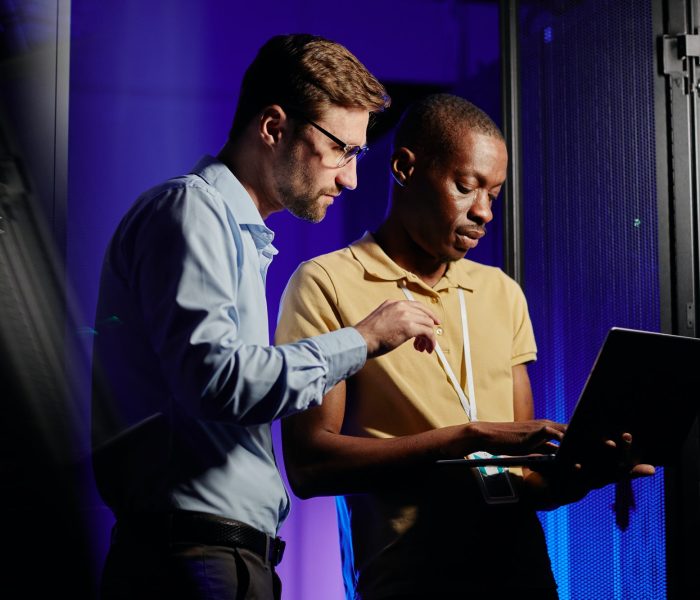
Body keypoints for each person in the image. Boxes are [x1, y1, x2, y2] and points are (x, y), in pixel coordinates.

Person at [91, 34, 443, 600]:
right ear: (274, 127)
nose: (350, 177)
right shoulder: (191, 211)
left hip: (213, 558)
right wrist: (360, 341)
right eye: (341, 149)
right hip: (194, 560)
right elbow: (217, 380)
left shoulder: (230, 232)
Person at [275, 93, 655, 599]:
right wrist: (465, 439)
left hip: (522, 580)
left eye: (493, 195)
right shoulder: (326, 282)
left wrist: (587, 474)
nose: (483, 212)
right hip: (408, 583)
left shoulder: (501, 292)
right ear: (405, 168)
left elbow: (527, 481)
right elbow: (310, 465)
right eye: (465, 187)